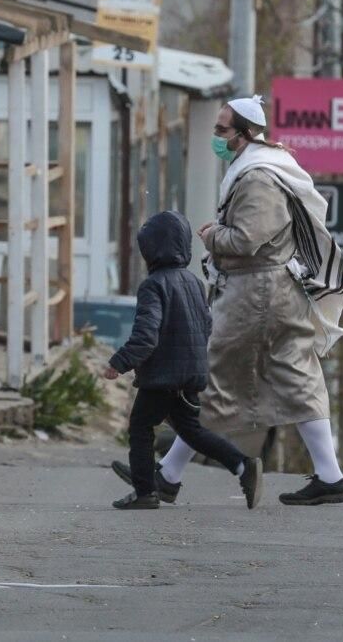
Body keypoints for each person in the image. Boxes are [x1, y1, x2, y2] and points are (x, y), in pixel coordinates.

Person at [111, 94, 343, 506]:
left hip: (253, 293)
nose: (216, 137)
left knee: (207, 374)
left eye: (222, 130)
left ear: (243, 135)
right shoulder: (262, 169)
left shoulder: (257, 177)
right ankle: (330, 476)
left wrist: (210, 236)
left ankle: (172, 474)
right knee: (296, 376)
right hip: (276, 291)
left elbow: (247, 239)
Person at [102, 210, 262, 511]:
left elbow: (147, 335)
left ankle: (144, 492)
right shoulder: (193, 282)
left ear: (149, 250)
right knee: (192, 431)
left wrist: (120, 362)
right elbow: (207, 325)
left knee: (140, 428)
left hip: (163, 376)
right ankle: (242, 466)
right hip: (190, 373)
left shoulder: (153, 286)